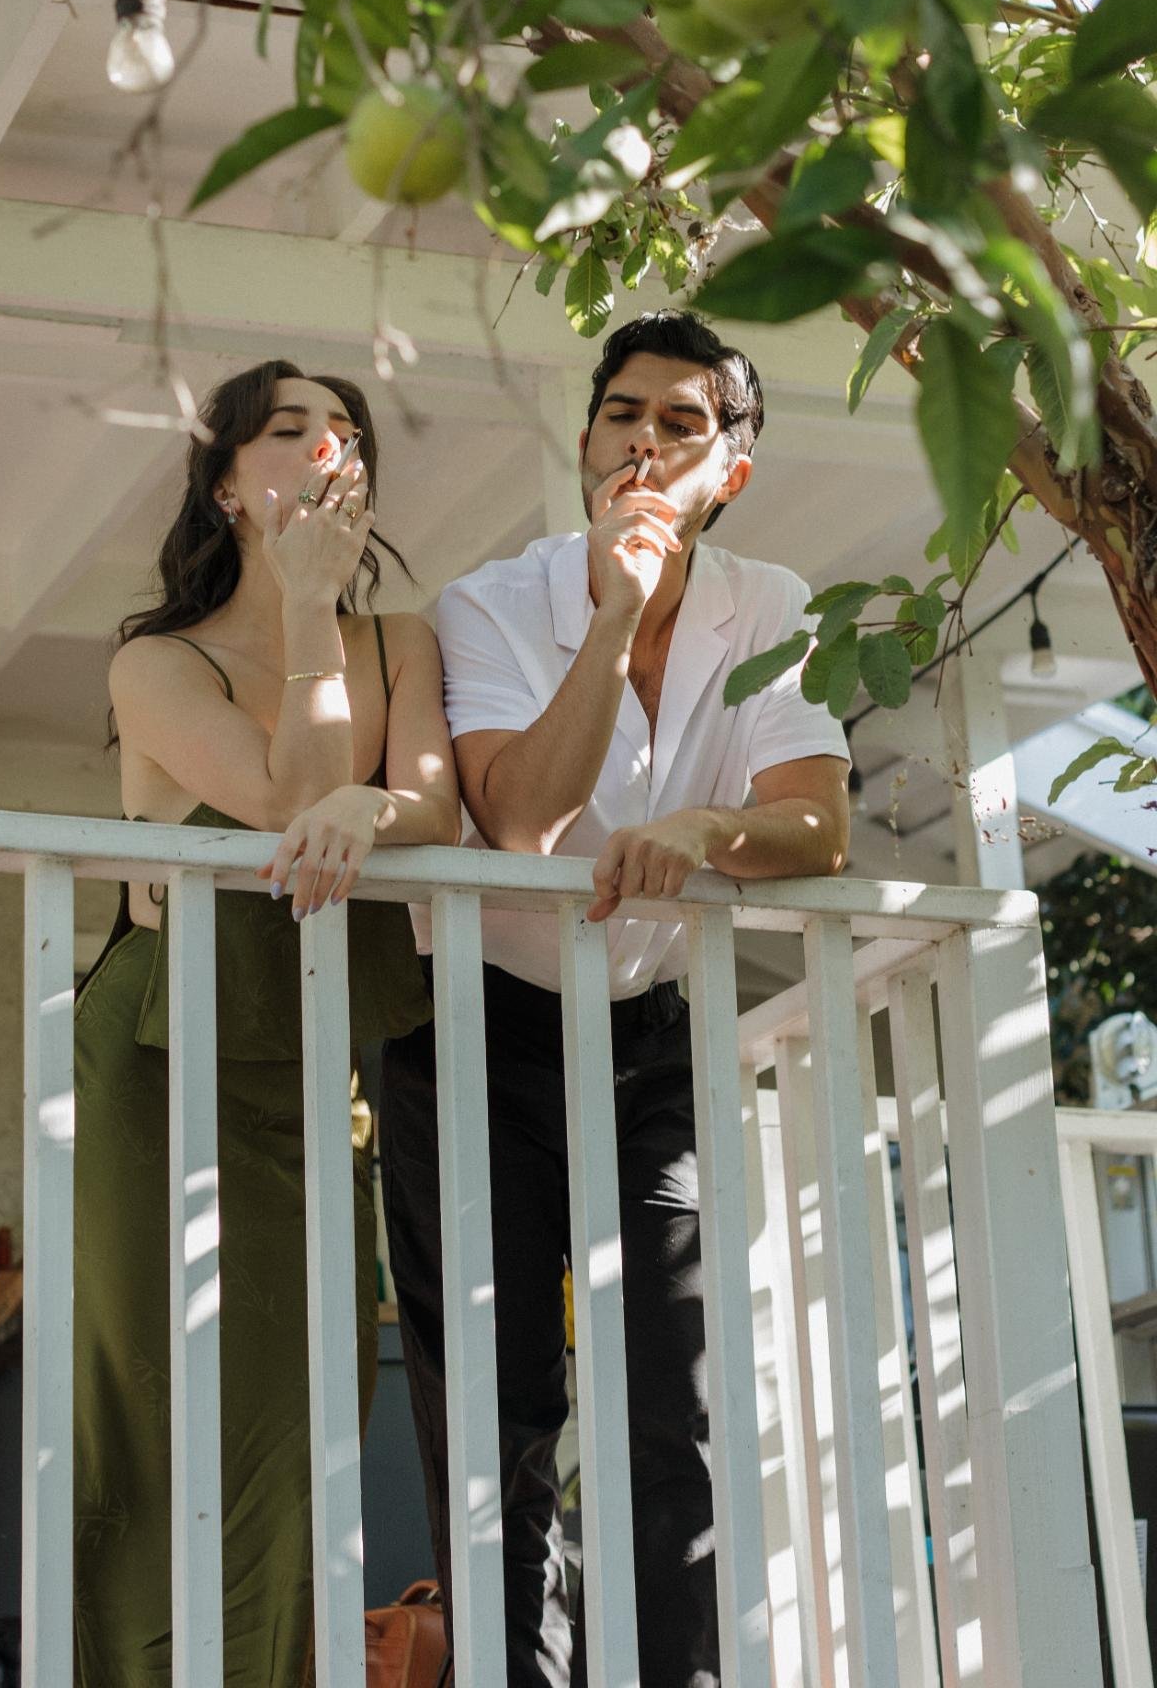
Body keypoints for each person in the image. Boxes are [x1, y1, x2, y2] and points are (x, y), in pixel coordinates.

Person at [379, 311, 851, 1688]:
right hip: (481, 1042)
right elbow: (522, 818)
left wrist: (708, 834)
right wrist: (617, 616)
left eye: (685, 424)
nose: (646, 441)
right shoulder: (489, 601)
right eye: (624, 415)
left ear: (732, 472)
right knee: (496, 1422)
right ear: (586, 441)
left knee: (672, 1411)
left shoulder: (769, 608)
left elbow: (816, 830)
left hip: (652, 1052)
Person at [74, 358, 461, 1688]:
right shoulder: (154, 660)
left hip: (303, 1062)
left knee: (308, 1407)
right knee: (154, 1414)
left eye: (345, 429)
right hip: (154, 1048)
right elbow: (284, 793)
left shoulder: (400, 641)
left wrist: (376, 808)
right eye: (289, 428)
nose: (326, 445)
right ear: (229, 482)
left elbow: (429, 808)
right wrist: (305, 616)